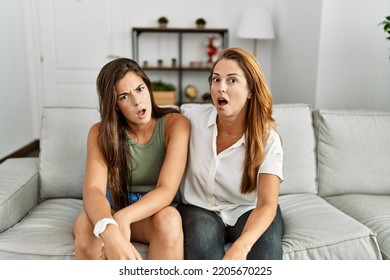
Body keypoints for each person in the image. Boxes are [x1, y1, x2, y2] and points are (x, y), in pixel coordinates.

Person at [72, 58, 190, 260]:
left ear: (148, 88)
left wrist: (124, 217)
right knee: (85, 224)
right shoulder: (100, 132)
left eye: (140, 89)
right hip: (109, 207)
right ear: (115, 105)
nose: (137, 101)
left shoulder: (176, 124)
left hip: (149, 213)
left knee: (170, 220)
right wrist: (109, 227)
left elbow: (166, 190)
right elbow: (93, 190)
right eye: (124, 96)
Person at [177, 47, 284, 260]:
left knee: (267, 247)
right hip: (199, 208)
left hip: (248, 209)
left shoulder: (267, 138)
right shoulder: (192, 120)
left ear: (251, 90)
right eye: (216, 80)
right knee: (202, 240)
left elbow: (267, 203)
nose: (220, 88)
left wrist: (241, 246)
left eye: (232, 80)